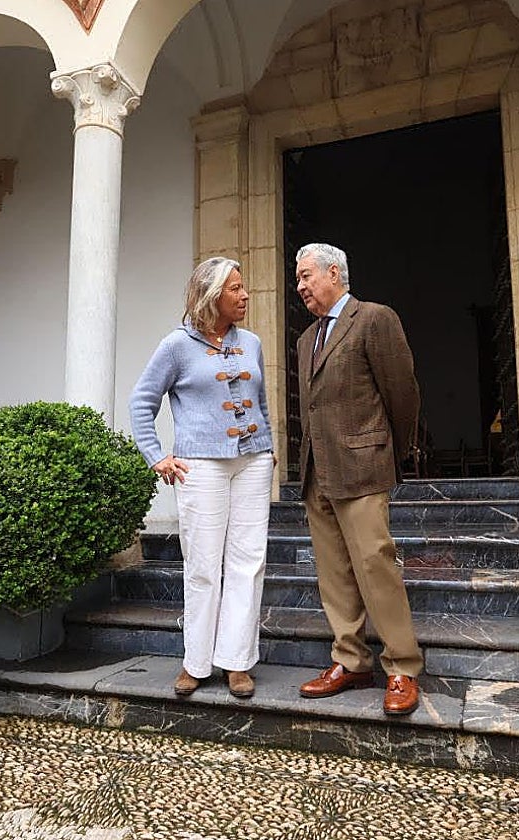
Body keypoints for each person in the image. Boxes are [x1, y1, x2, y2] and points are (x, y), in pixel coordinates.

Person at [129, 257, 275, 700]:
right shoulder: (176, 346)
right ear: (212, 296)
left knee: (248, 562)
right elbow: (142, 401)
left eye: (244, 287)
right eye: (236, 288)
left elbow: (262, 402)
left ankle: (237, 662)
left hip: (253, 462)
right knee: (204, 566)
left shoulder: (250, 342)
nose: (245, 295)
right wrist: (157, 457)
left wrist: (268, 451)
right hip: (201, 467)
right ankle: (196, 661)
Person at [292, 242, 424, 715]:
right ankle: (350, 660)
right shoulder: (306, 340)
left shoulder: (374, 318)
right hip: (317, 473)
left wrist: (392, 452)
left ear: (334, 273)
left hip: (363, 466)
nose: (301, 285)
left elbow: (401, 393)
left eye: (307, 276)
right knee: (334, 574)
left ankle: (402, 667)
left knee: (375, 565)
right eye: (298, 277)